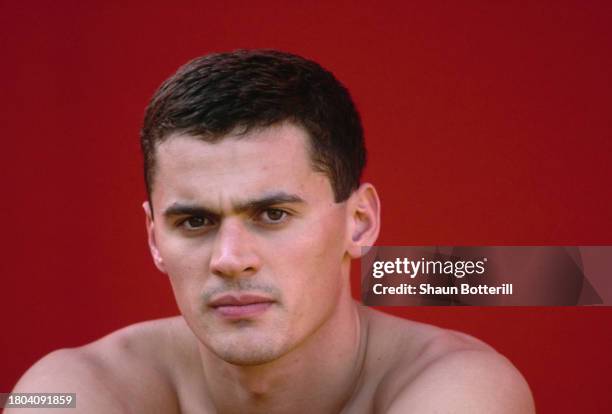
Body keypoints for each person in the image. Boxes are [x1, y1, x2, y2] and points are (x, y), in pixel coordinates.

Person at [9, 50, 535, 413]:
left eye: (273, 215)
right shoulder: (66, 387)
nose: (230, 259)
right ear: (153, 238)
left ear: (360, 222)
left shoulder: (465, 386)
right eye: (195, 221)